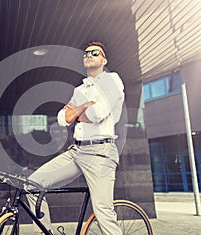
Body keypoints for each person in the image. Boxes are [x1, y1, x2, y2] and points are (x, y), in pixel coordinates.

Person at [27, 41, 124, 235]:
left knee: (103, 211)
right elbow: (63, 119)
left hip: (100, 152)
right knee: (32, 185)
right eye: (86, 53)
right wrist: (83, 107)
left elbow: (98, 114)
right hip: (76, 150)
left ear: (103, 60)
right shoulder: (79, 90)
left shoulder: (112, 80)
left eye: (95, 53)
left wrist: (76, 113)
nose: (89, 55)